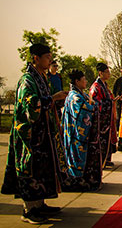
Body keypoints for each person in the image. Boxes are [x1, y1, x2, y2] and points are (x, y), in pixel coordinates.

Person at [1, 44, 68, 224]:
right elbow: (31, 105)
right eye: (47, 57)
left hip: (43, 134)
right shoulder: (27, 80)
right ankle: (28, 209)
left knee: (42, 169)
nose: (49, 61)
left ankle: (39, 204)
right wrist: (53, 98)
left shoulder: (41, 78)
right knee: (29, 169)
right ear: (36, 58)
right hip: (29, 135)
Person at [61, 69, 103, 192]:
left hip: (83, 134)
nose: (85, 81)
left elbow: (91, 104)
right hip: (76, 134)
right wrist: (94, 106)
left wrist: (94, 105)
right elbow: (84, 110)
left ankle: (88, 180)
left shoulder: (81, 94)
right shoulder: (74, 96)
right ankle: (77, 181)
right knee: (76, 157)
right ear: (77, 81)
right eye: (83, 79)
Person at [89, 63, 117, 168]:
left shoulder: (104, 85)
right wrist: (108, 103)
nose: (109, 74)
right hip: (101, 121)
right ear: (100, 73)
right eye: (107, 72)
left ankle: (106, 160)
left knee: (107, 140)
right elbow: (95, 103)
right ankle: (101, 162)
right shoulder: (96, 87)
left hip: (107, 120)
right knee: (101, 141)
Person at [113, 65, 122, 130]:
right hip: (119, 102)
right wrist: (118, 97)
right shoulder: (118, 81)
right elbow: (114, 91)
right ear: (121, 71)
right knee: (119, 117)